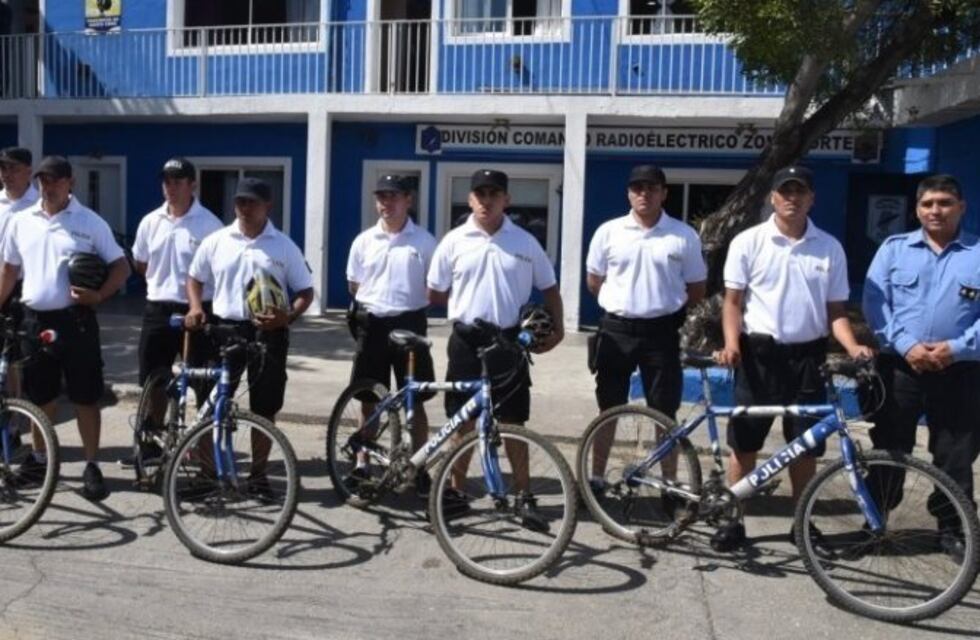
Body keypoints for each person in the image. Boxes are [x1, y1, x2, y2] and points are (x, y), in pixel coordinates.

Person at [713, 165, 872, 550]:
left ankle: (801, 522)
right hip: (758, 356)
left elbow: (836, 311)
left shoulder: (829, 246)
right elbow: (732, 303)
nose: (792, 198)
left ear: (811, 198)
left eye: (800, 191)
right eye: (785, 191)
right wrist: (731, 344)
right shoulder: (749, 241)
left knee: (805, 444)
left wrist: (852, 346)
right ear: (773, 197)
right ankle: (734, 519)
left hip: (808, 358)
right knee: (745, 443)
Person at [427, 168, 564, 527]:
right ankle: (456, 492)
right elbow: (435, 292)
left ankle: (523, 495)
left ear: (507, 199)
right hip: (465, 341)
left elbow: (550, 288)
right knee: (463, 419)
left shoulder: (525, 242)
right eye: (480, 194)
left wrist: (559, 330)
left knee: (514, 420)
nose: (486, 200)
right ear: (470, 199)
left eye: (494, 194)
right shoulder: (453, 241)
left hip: (508, 342)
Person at [862, 173, 980, 560]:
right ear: (917, 209)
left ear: (961, 207)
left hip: (959, 369)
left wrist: (957, 348)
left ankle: (952, 528)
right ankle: (875, 519)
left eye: (945, 203)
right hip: (900, 368)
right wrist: (907, 345)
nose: (936, 210)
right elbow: (875, 305)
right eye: (928, 204)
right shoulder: (894, 250)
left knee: (956, 454)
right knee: (889, 448)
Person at [0, 155, 130, 501]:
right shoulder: (22, 221)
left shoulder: (89, 222)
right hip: (34, 320)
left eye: (56, 180)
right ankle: (41, 461)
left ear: (70, 182)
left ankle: (91, 465)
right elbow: (10, 271)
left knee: (86, 397)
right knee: (41, 397)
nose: (49, 186)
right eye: (44, 180)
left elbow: (121, 266)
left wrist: (100, 294)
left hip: (76, 322)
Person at [584, 164, 707, 497]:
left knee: (664, 412)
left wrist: (665, 309)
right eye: (637, 187)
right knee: (608, 408)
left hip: (661, 333)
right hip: (616, 331)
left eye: (652, 187)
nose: (644, 193)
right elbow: (594, 281)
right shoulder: (608, 232)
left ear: (664, 193)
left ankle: (667, 484)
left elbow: (696, 287)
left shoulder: (683, 235)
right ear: (628, 192)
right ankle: (596, 479)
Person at [186, 177, 314, 479]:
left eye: (251, 202)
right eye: (240, 201)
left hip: (268, 333)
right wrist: (194, 306)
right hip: (224, 329)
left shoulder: (284, 246)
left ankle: (258, 476)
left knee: (264, 407)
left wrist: (288, 317)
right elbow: (194, 277)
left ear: (267, 205)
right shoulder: (216, 241)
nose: (244, 207)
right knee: (210, 402)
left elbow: (305, 292)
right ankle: (207, 474)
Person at [124, 157, 223, 465]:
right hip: (158, 308)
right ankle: (151, 444)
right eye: (167, 181)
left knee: (204, 383)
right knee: (154, 380)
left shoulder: (210, 224)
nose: (171, 187)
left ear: (192, 184)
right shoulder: (150, 221)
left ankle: (203, 454)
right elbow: (140, 264)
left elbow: (217, 272)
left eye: (178, 181)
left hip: (199, 311)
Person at [344, 174, 437, 494]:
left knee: (417, 398)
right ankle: (362, 464)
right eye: (381, 196)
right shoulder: (363, 241)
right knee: (368, 397)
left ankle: (419, 465)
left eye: (393, 196)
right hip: (373, 324)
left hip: (411, 323)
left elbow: (434, 285)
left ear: (408, 200)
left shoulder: (424, 241)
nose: (386, 202)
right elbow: (354, 285)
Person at [0, 147, 39, 327]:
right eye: (3, 168)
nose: (7, 174)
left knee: (21, 350)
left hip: (24, 289)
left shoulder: (40, 205)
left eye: (14, 169)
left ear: (29, 172)